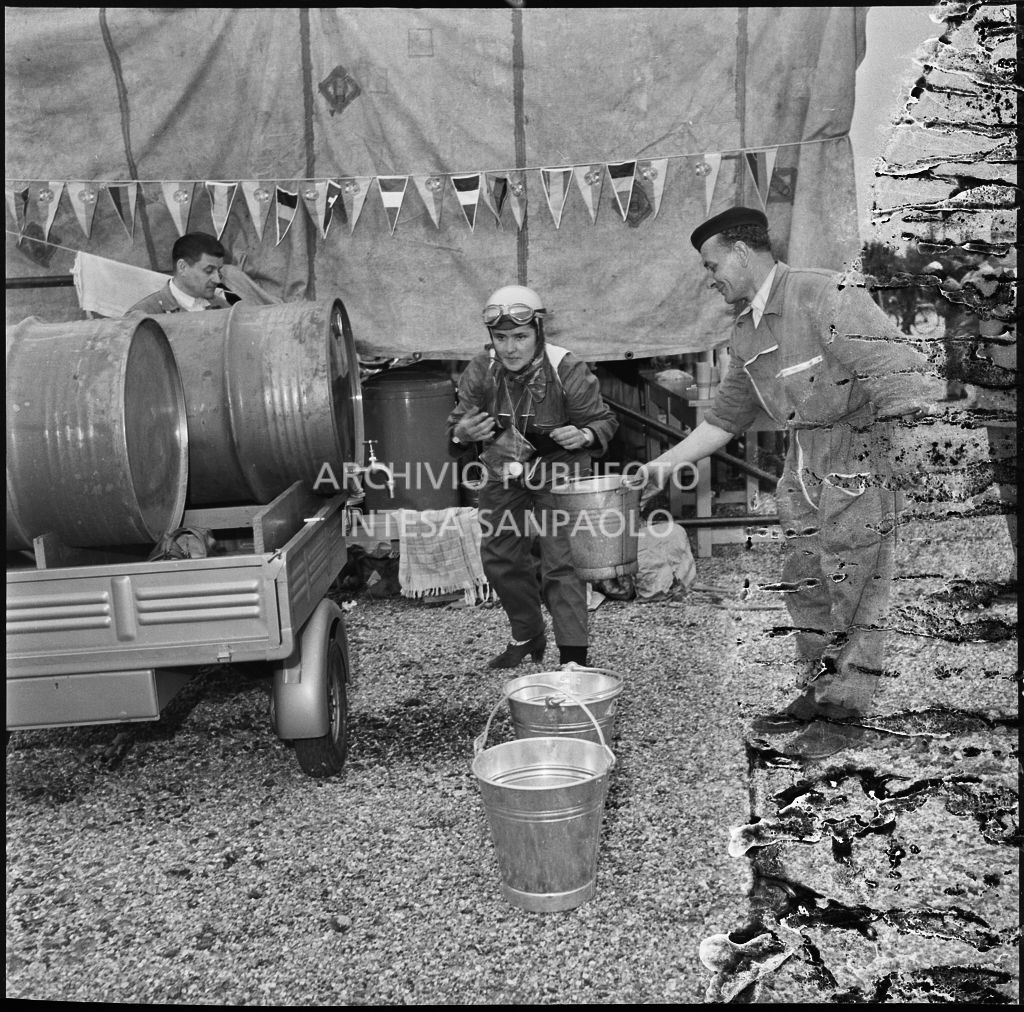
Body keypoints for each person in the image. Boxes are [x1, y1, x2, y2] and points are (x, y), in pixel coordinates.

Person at [637, 207, 936, 759]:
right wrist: (660, 467)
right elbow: (725, 418)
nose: (711, 277)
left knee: (856, 581)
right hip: (802, 461)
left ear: (743, 252)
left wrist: (905, 464)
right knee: (805, 580)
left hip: (857, 449)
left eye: (713, 263)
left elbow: (904, 377)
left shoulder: (823, 294)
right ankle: (818, 691)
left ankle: (846, 711)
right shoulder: (745, 329)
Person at [447, 284, 618, 669]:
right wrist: (462, 434)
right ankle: (527, 634)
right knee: (499, 559)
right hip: (503, 466)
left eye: (521, 337)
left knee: (563, 563)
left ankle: (573, 658)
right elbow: (457, 426)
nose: (510, 348)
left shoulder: (565, 367)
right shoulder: (481, 370)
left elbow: (603, 420)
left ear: (539, 331)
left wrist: (586, 434)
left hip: (561, 468)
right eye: (501, 337)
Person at [126, 232, 236, 314]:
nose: (217, 279)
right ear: (182, 267)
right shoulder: (145, 316)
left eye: (219, 271)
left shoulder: (223, 308)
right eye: (209, 271)